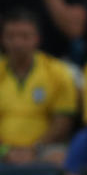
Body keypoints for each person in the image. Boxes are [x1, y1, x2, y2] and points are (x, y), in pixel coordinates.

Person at [0, 8, 77, 165]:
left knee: (61, 157)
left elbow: (63, 121)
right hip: (2, 150)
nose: (17, 43)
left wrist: (34, 149)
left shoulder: (58, 72)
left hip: (43, 149)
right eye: (11, 36)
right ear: (2, 38)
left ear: (37, 38)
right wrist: (5, 150)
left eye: (25, 36)